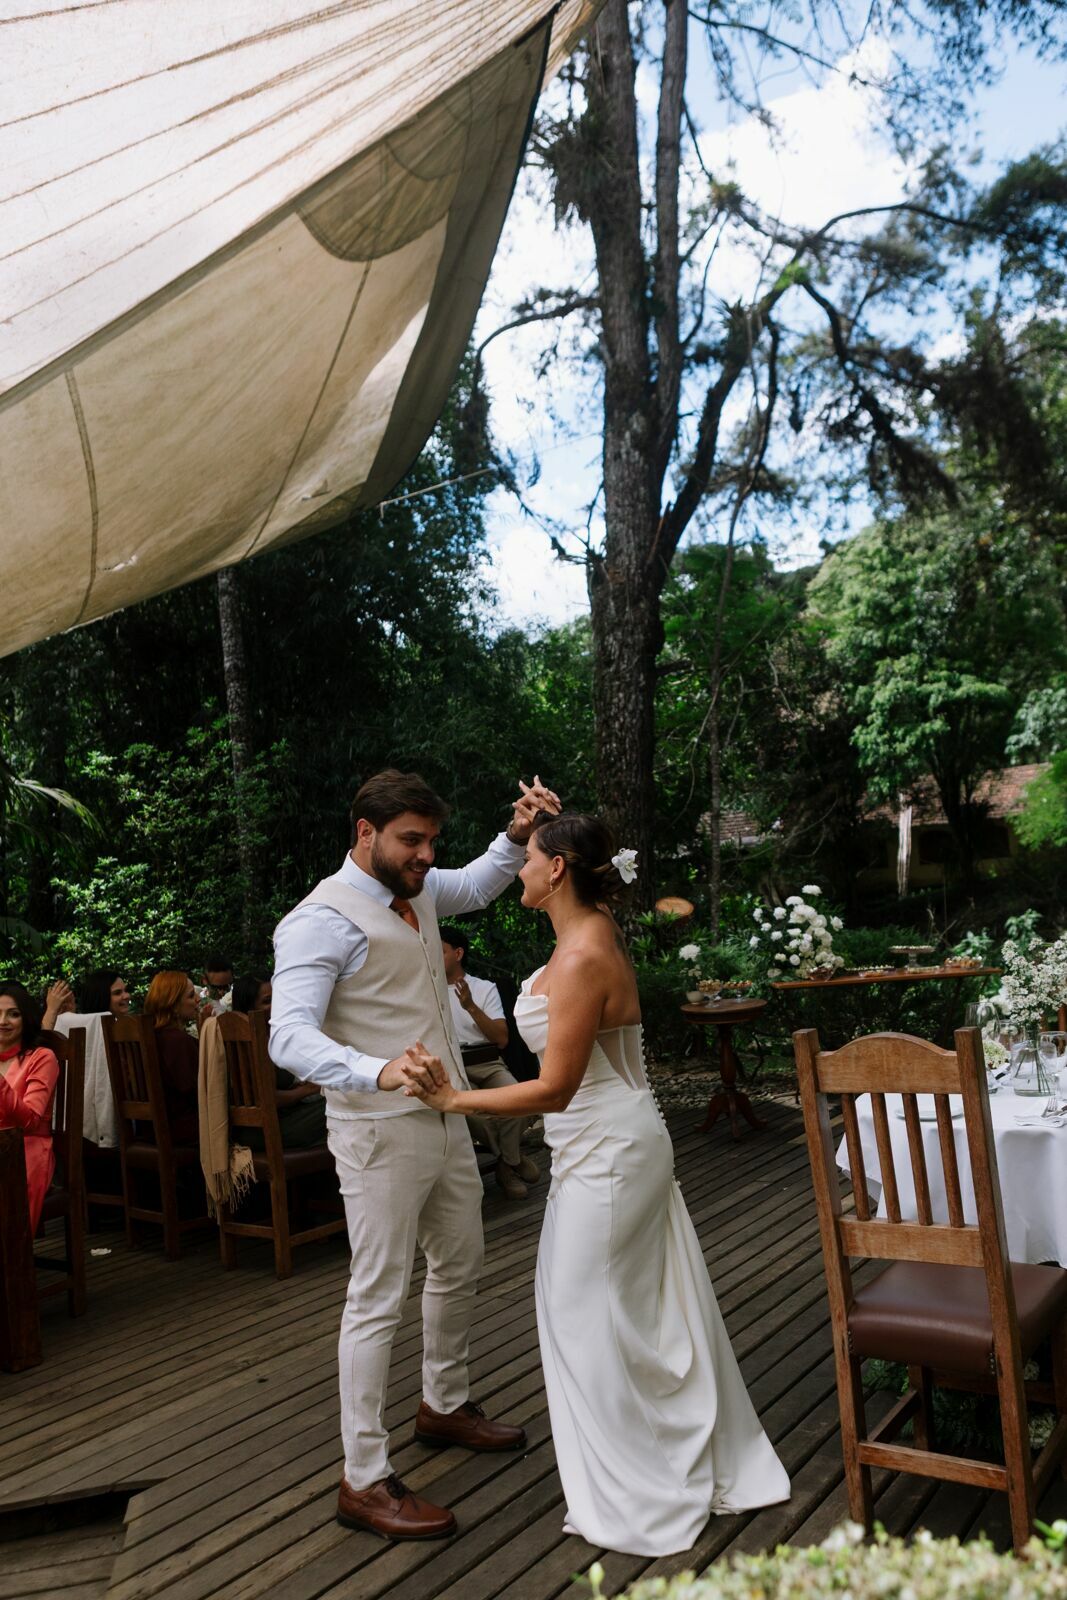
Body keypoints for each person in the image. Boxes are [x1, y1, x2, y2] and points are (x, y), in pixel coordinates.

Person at [402, 811, 790, 1557]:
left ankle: (640, 1488)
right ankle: (663, 1452)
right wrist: (536, 819)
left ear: (556, 871)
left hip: (607, 1150)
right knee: (623, 1309)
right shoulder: (594, 931)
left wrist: (452, 1100)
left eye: (530, 858)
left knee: (583, 1313)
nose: (517, 869)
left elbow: (553, 1089)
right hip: (607, 1143)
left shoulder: (582, 957)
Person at [270, 767, 560, 1541]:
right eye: (411, 840)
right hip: (375, 1130)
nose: (426, 856)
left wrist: (516, 834)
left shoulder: (422, 890)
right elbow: (287, 1035)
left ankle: (442, 1404)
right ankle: (362, 1480)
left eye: (431, 840)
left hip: (444, 1117)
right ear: (362, 832)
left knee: (461, 1259)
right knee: (377, 1295)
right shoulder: (316, 921)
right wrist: (376, 1069)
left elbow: (474, 883)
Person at [438, 923, 538, 1200]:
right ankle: (513, 1161)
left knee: (522, 1102)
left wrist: (470, 1006)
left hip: (489, 1061)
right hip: (454, 1065)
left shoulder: (484, 988)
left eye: (441, 950)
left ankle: (505, 1165)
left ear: (458, 954)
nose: (434, 954)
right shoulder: (426, 990)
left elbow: (502, 1039)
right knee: (473, 1115)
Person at [229, 975, 327, 1150]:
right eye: (267, 1001)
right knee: (344, 1101)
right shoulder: (251, 1042)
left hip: (263, 1126)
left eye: (278, 998)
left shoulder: (253, 1037)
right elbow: (270, 1099)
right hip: (269, 1130)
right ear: (248, 1007)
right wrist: (308, 1090)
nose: (277, 1006)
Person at [0, 981, 60, 1233]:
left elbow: (31, 1121)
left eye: (13, 1014)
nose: (3, 1021)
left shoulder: (41, 1057)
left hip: (26, 1150)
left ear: (26, 1019)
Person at [143, 972, 214, 1144]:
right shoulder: (177, 1041)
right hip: (184, 1129)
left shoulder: (151, 1036)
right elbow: (203, 1090)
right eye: (191, 996)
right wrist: (208, 1037)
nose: (198, 999)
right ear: (173, 1005)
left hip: (150, 1129)